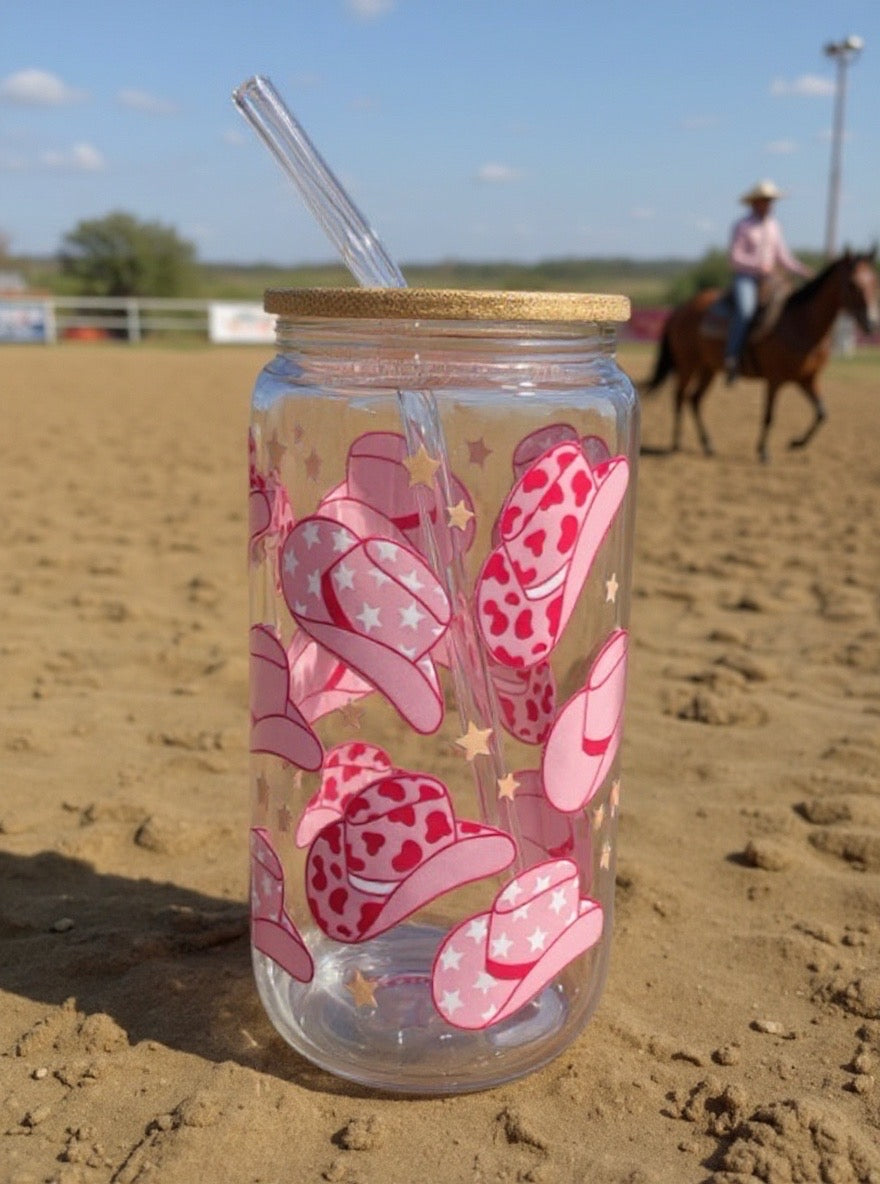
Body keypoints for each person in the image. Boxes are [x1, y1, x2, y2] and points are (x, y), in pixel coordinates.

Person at [724, 180, 812, 384]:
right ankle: (732, 356)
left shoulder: (774, 226)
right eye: (766, 200)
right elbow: (735, 257)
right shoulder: (742, 225)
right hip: (746, 278)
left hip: (770, 278)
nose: (770, 204)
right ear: (755, 202)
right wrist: (758, 265)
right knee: (746, 310)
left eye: (771, 200)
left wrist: (803, 271)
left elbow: (783, 257)